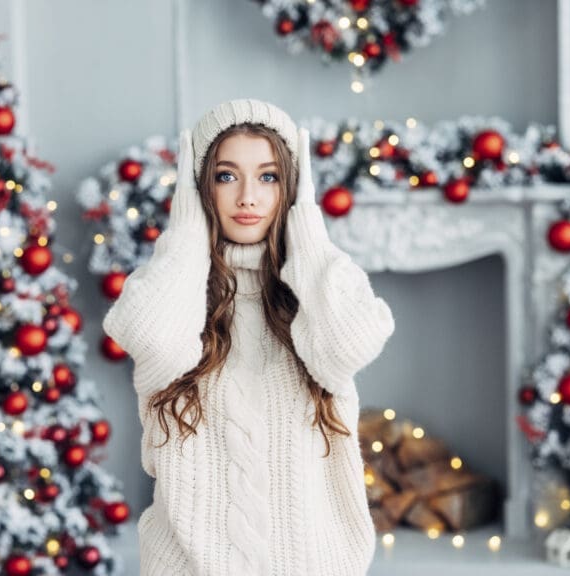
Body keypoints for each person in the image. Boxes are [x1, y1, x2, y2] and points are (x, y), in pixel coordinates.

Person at [102, 99, 396, 576]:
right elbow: (153, 341)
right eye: (225, 176)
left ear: (292, 189)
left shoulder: (322, 280)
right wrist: (186, 236)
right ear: (198, 190)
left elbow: (346, 348)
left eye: (269, 177)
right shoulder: (170, 287)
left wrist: (310, 238)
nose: (247, 197)